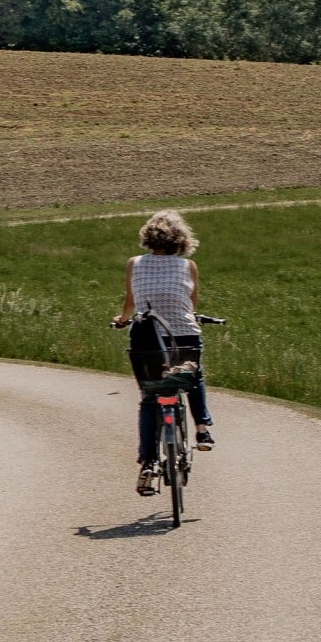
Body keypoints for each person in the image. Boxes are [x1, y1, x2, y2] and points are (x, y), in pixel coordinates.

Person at [113, 208, 214, 497]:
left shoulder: (135, 264)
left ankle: (148, 462)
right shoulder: (189, 266)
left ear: (147, 237)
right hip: (183, 334)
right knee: (192, 376)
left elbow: (131, 303)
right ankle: (203, 427)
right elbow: (191, 306)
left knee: (149, 398)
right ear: (181, 240)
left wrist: (121, 321)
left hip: (147, 339)